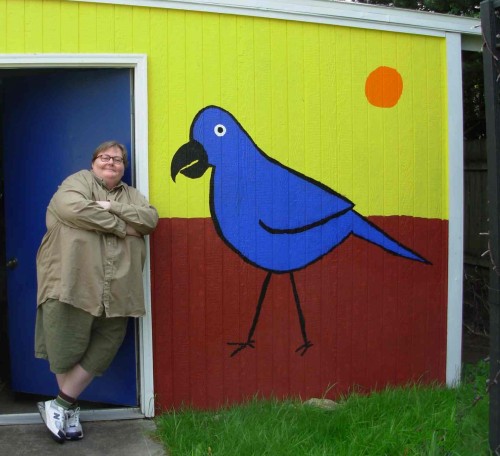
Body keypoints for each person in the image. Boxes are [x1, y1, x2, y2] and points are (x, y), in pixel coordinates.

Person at [34, 141, 159, 443]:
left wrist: (111, 207)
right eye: (105, 157)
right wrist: (121, 226)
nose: (112, 162)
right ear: (93, 162)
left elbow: (150, 219)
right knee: (66, 346)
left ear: (124, 167)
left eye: (118, 159)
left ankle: (60, 404)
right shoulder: (77, 182)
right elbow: (71, 208)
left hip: (118, 289)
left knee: (106, 345)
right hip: (72, 281)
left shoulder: (131, 195)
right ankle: (68, 408)